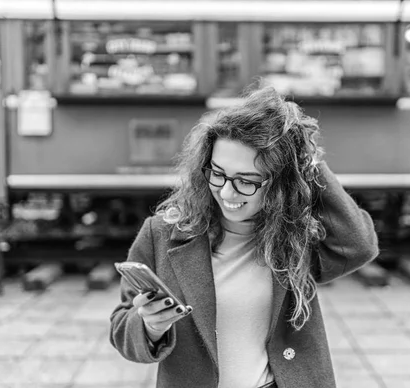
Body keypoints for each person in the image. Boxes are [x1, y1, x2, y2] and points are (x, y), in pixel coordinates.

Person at [109, 86, 379, 388]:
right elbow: (121, 326)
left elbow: (359, 246)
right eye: (218, 173)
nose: (226, 192)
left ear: (279, 183)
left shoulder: (293, 237)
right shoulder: (161, 234)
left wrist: (309, 164)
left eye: (246, 181)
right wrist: (149, 326)